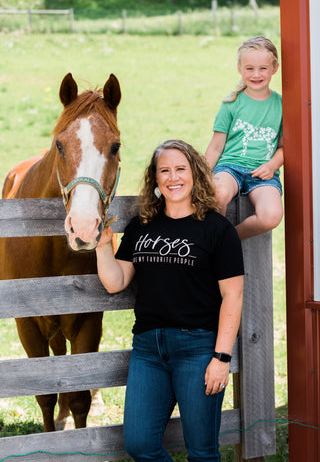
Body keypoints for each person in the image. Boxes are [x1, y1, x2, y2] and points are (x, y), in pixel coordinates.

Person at [96, 139, 244, 462]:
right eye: (164, 170)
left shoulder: (217, 230)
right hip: (148, 350)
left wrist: (221, 357)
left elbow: (233, 295)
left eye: (180, 169)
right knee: (139, 445)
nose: (173, 177)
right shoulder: (141, 226)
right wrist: (103, 245)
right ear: (155, 178)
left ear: (195, 174)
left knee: (203, 452)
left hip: (199, 349)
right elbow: (115, 281)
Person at [205, 36, 283, 240]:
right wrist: (202, 174)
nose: (256, 74)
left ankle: (227, 239)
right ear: (239, 68)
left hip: (263, 174)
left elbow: (284, 147)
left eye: (263, 68)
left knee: (271, 217)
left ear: (275, 68)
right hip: (230, 168)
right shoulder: (231, 103)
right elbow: (215, 147)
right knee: (218, 191)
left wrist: (272, 165)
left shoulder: (282, 105)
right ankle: (213, 240)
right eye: (249, 68)